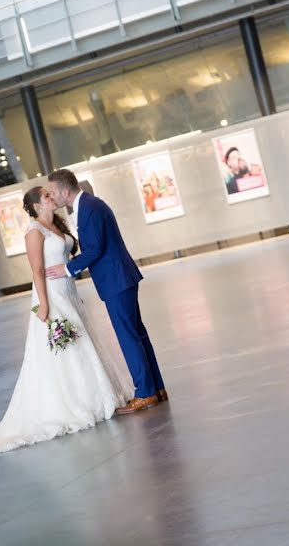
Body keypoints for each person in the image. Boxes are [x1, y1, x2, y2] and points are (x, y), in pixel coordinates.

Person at [0, 186, 133, 463]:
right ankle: (73, 404)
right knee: (65, 349)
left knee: (82, 342)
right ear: (37, 206)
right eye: (48, 197)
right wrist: (44, 305)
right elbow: (37, 270)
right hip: (51, 295)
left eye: (52, 195)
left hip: (69, 292)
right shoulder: (34, 232)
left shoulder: (56, 226)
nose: (53, 198)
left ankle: (96, 397)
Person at [46, 169, 167, 414]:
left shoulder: (88, 208)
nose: (52, 197)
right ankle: (157, 388)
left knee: (128, 336)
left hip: (116, 280)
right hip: (121, 277)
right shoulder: (90, 204)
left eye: (53, 192)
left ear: (65, 191)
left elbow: (94, 250)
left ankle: (145, 393)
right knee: (137, 333)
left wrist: (68, 268)